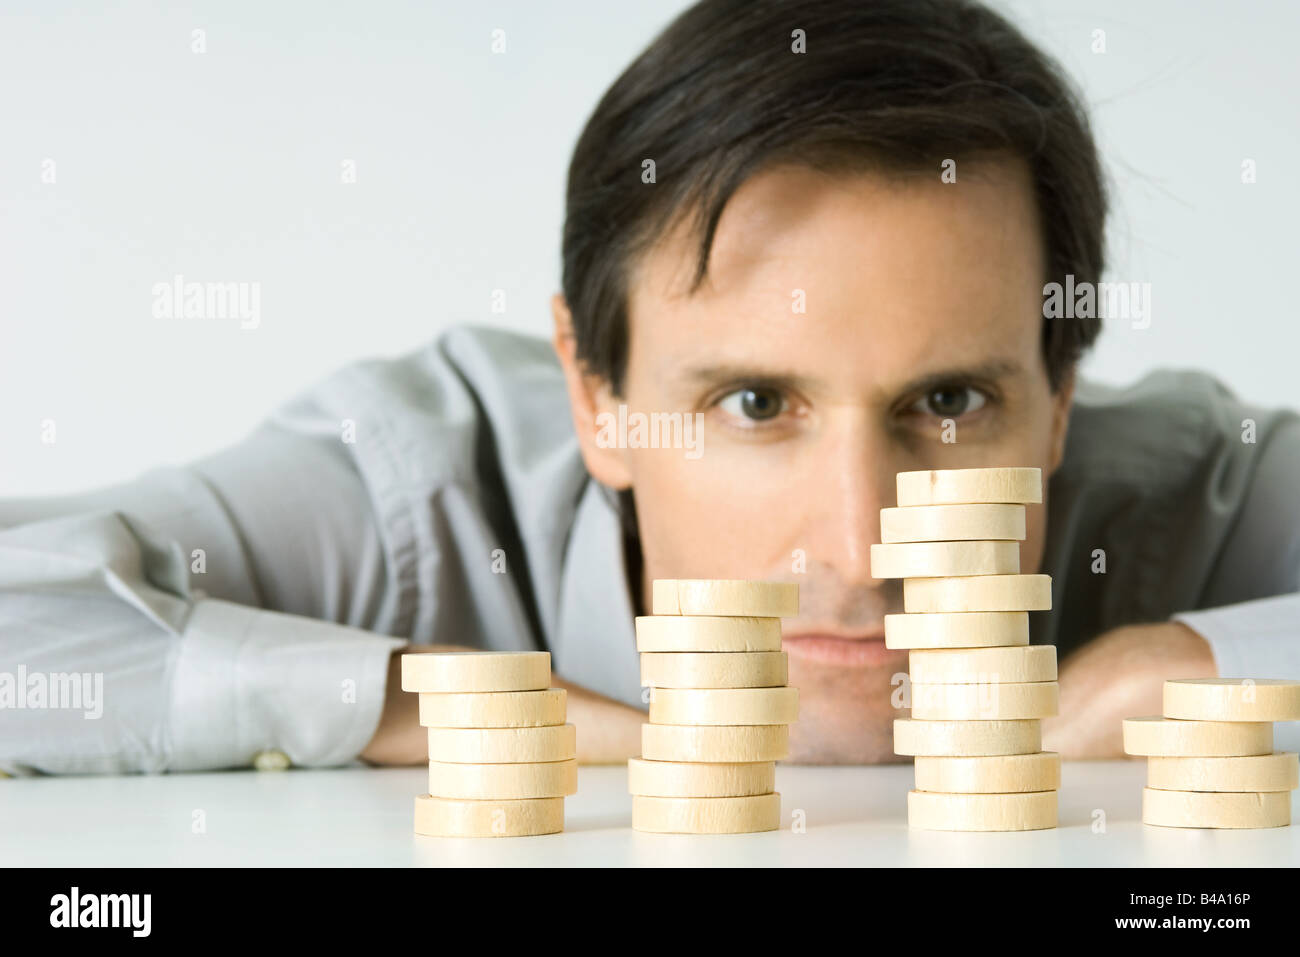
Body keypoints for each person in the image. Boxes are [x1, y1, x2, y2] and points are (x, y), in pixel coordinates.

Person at [2, 0, 1297, 775]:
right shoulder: (413, 496)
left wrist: (1182, 661)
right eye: (753, 404)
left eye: (949, 404)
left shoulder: (1190, 493)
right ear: (595, 393)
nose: (858, 548)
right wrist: (476, 715)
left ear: (1063, 397)